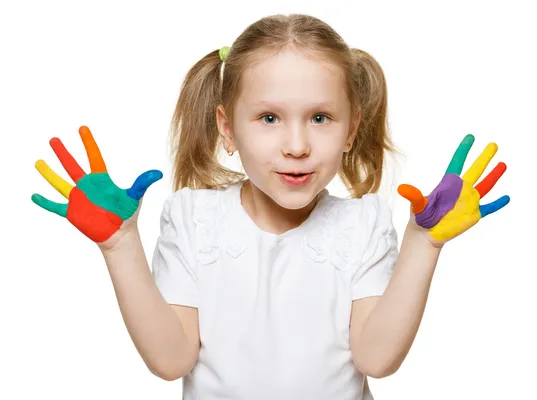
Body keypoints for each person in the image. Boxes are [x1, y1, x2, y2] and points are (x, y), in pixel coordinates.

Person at [31, 13, 510, 400]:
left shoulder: (364, 223)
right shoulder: (193, 219)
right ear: (227, 127)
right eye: (269, 118)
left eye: (320, 117)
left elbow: (377, 359)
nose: (297, 144)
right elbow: (170, 359)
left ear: (351, 128)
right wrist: (120, 246)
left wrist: (424, 243)